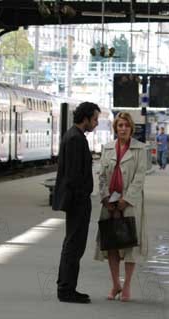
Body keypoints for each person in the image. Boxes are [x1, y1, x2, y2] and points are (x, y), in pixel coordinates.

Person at [94, 112, 147, 302]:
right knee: (111, 245)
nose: (123, 129)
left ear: (131, 128)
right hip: (109, 202)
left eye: (126, 125)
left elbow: (139, 177)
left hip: (130, 203)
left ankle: (127, 286)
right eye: (119, 126)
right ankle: (115, 283)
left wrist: (126, 200)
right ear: (115, 128)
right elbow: (101, 176)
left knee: (129, 243)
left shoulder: (140, 149)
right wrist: (105, 198)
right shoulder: (107, 148)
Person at [52, 102, 101, 304]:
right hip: (77, 200)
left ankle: (66, 285)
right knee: (74, 244)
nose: (96, 123)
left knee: (73, 244)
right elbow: (73, 174)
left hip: (77, 199)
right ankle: (66, 289)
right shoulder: (75, 139)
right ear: (86, 118)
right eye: (95, 119)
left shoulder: (74, 136)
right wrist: (82, 196)